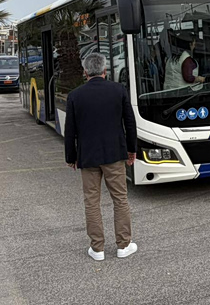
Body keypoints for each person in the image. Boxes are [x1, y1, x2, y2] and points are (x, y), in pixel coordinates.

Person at [64, 52, 138, 261]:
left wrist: (71, 157)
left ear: (85, 72)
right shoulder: (118, 90)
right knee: (120, 199)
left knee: (92, 202)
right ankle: (123, 245)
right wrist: (131, 150)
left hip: (87, 157)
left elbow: (70, 131)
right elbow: (129, 123)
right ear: (105, 71)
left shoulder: (75, 96)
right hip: (115, 154)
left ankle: (97, 249)